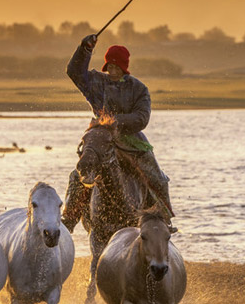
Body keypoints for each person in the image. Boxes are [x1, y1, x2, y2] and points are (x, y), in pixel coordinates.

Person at [61, 33, 175, 233]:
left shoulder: (139, 88)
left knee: (158, 178)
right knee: (78, 174)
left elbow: (142, 118)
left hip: (131, 140)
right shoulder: (96, 81)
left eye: (115, 67)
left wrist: (116, 122)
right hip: (100, 138)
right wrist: (84, 49)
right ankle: (69, 219)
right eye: (109, 67)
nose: (112, 71)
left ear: (124, 67)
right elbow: (74, 72)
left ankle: (163, 220)